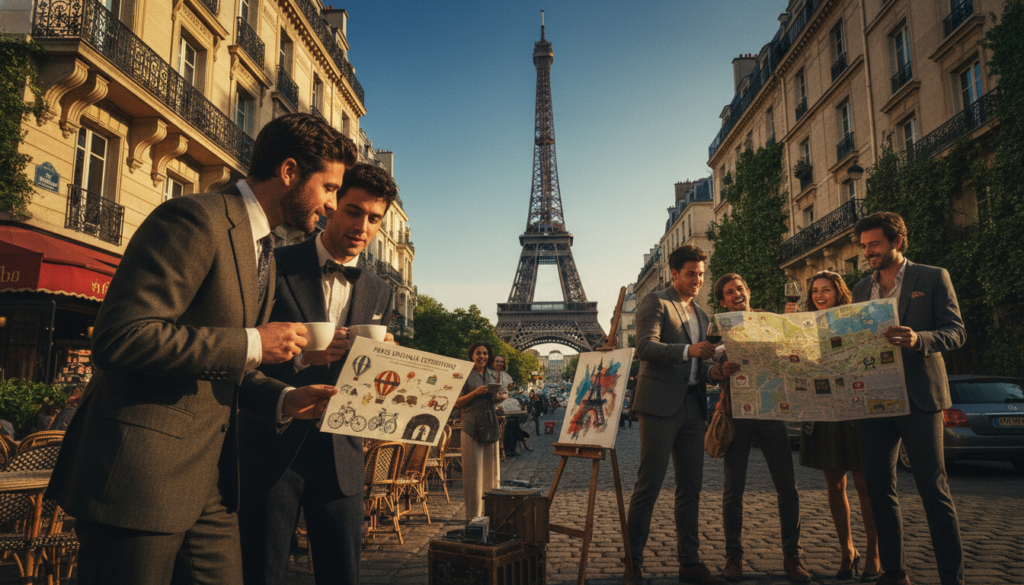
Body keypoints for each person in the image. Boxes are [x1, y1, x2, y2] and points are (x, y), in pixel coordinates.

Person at [45, 113, 346, 585]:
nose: (332, 204)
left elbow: (228, 367)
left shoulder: (261, 246)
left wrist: (285, 399)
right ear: (289, 171)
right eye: (328, 188)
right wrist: (254, 341)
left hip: (210, 483)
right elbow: (121, 337)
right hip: (138, 478)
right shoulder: (194, 218)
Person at [238, 163, 398, 585]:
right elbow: (244, 348)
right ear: (330, 206)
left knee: (342, 574)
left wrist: (390, 363)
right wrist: (301, 360)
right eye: (353, 210)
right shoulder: (275, 264)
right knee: (262, 571)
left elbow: (370, 377)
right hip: (273, 447)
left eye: (375, 218)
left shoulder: (381, 290)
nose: (363, 226)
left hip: (342, 453)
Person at [851, 212, 966, 585]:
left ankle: (953, 578)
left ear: (897, 242)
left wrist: (919, 339)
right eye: (864, 245)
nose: (868, 251)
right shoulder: (859, 289)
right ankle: (895, 573)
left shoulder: (932, 277)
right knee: (879, 489)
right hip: (875, 399)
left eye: (875, 244)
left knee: (933, 490)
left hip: (920, 396)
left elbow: (956, 332)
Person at [625, 245, 725, 585]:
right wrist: (688, 350)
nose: (697, 280)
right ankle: (632, 562)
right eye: (691, 274)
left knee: (691, 488)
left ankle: (689, 562)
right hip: (659, 406)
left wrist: (716, 372)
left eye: (701, 274)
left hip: (694, 407)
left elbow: (702, 366)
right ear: (674, 274)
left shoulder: (703, 314)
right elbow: (644, 347)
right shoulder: (656, 301)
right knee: (648, 487)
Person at [710, 274, 810, 583]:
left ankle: (793, 556)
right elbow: (709, 369)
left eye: (740, 288)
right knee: (733, 489)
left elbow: (796, 356)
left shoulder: (772, 322)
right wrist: (718, 370)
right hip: (736, 412)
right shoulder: (719, 328)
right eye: (729, 292)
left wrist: (792, 327)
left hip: (769, 411)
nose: (736, 293)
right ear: (724, 301)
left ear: (748, 292)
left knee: (787, 486)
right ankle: (733, 557)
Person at [785, 271, 880, 581]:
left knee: (866, 484)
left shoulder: (854, 319)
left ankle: (875, 554)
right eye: (815, 291)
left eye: (826, 289)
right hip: (824, 411)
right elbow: (791, 361)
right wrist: (790, 328)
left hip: (855, 409)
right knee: (834, 484)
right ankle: (847, 550)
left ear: (840, 292)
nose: (819, 295)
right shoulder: (805, 325)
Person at [453, 341, 506, 519]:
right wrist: (475, 393)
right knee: (473, 475)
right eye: (478, 353)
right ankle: (473, 518)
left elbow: (494, 400)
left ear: (488, 356)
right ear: (472, 356)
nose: (482, 356)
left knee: (492, 474)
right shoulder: (464, 375)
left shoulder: (493, 375)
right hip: (470, 426)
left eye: (484, 353)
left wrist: (500, 397)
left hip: (490, 425)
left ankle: (492, 515)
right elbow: (456, 402)